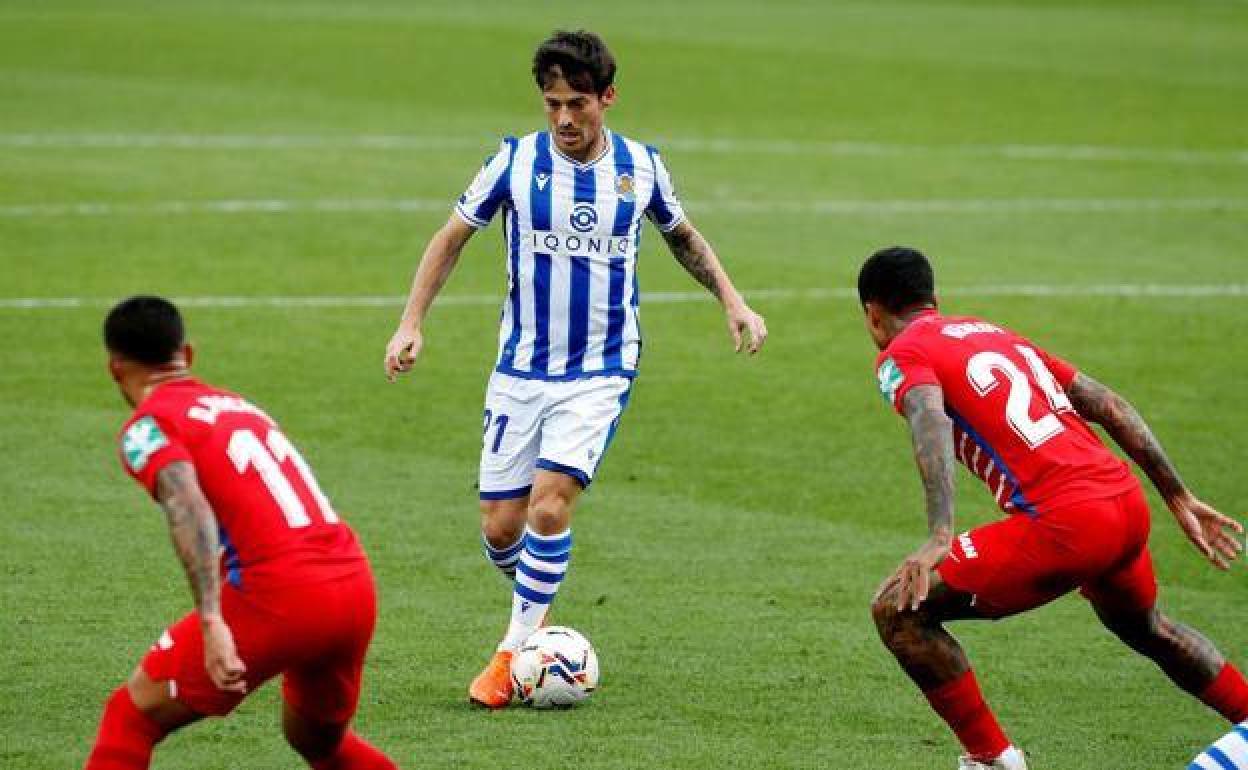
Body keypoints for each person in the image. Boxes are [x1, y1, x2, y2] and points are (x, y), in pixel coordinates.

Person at [383, 29, 767, 708]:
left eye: (578, 103)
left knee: (550, 503)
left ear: (607, 98)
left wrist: (732, 300)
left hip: (601, 369)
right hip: (520, 367)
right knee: (501, 529)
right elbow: (451, 237)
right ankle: (537, 621)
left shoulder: (641, 168)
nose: (564, 118)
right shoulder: (512, 161)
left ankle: (510, 654)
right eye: (553, 103)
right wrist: (412, 321)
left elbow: (681, 235)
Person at [857, 247, 1245, 769]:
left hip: (1067, 523)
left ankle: (992, 757)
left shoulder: (901, 354)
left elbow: (930, 417)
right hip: (1124, 503)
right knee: (1150, 628)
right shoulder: (994, 333)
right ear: (935, 299)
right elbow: (1107, 403)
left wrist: (940, 534)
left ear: (873, 314)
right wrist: (1176, 494)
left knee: (898, 610)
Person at [85, 296, 397, 769]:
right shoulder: (238, 405)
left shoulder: (148, 426)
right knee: (317, 742)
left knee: (131, 715)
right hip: (352, 585)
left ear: (114, 368)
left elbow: (185, 501)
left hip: (280, 593)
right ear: (186, 355)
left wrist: (212, 621)